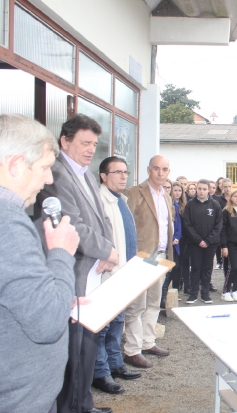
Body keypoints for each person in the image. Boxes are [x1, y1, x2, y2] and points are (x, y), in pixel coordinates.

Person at [34, 114, 117, 413]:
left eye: (94, 143)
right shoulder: (55, 175)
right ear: (64, 141)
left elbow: (101, 220)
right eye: (84, 142)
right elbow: (74, 226)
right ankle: (70, 406)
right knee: (73, 347)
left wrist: (108, 251)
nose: (91, 149)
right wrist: (108, 250)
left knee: (87, 343)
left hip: (93, 271)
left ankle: (83, 402)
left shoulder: (85, 173)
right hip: (72, 271)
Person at [0, 114, 79, 413]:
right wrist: (60, 253)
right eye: (45, 168)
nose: (49, 179)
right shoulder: (7, 222)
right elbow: (46, 322)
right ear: (15, 164)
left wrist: (60, 294)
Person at [95, 157, 142, 395]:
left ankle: (115, 364)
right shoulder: (99, 201)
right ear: (103, 176)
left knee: (116, 324)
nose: (124, 176)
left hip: (125, 274)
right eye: (117, 172)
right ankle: (100, 373)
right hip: (108, 276)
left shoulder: (121, 199)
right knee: (102, 327)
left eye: (126, 171)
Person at [123, 155, 173, 368]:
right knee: (137, 305)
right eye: (156, 169)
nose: (160, 173)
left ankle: (147, 342)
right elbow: (127, 225)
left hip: (159, 255)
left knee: (154, 302)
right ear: (148, 170)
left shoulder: (166, 196)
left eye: (164, 169)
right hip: (141, 256)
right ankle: (132, 350)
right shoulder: (134, 193)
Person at [183, 179, 222, 304]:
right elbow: (187, 224)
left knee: (207, 268)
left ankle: (205, 294)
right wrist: (198, 240)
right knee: (195, 268)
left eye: (204, 189)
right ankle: (193, 294)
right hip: (195, 243)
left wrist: (208, 241)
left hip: (210, 244)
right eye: (199, 188)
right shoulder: (190, 205)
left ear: (208, 190)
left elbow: (218, 225)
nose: (201, 191)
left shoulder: (215, 205)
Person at [160, 181, 185, 309]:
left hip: (173, 244)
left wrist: (176, 237)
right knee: (164, 270)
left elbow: (178, 224)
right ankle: (162, 296)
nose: (167, 189)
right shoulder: (160, 202)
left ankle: (165, 295)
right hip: (161, 244)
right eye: (165, 187)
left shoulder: (174, 204)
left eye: (168, 187)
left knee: (174, 267)